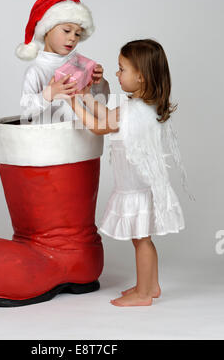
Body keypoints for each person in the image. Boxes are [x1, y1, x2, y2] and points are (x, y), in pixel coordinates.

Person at [66, 39, 195, 307]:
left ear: (141, 76)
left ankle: (144, 294)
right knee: (142, 240)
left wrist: (73, 104)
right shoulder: (141, 108)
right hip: (142, 185)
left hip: (136, 188)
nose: (117, 74)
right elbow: (108, 115)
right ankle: (151, 285)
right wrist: (87, 97)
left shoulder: (134, 111)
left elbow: (99, 126)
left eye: (122, 69)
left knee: (142, 241)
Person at [15, 0, 110, 124]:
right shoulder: (36, 71)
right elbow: (27, 112)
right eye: (66, 30)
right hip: (51, 141)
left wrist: (98, 83)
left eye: (77, 34)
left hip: (83, 138)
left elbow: (102, 101)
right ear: (47, 30)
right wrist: (49, 94)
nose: (72, 38)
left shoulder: (81, 65)